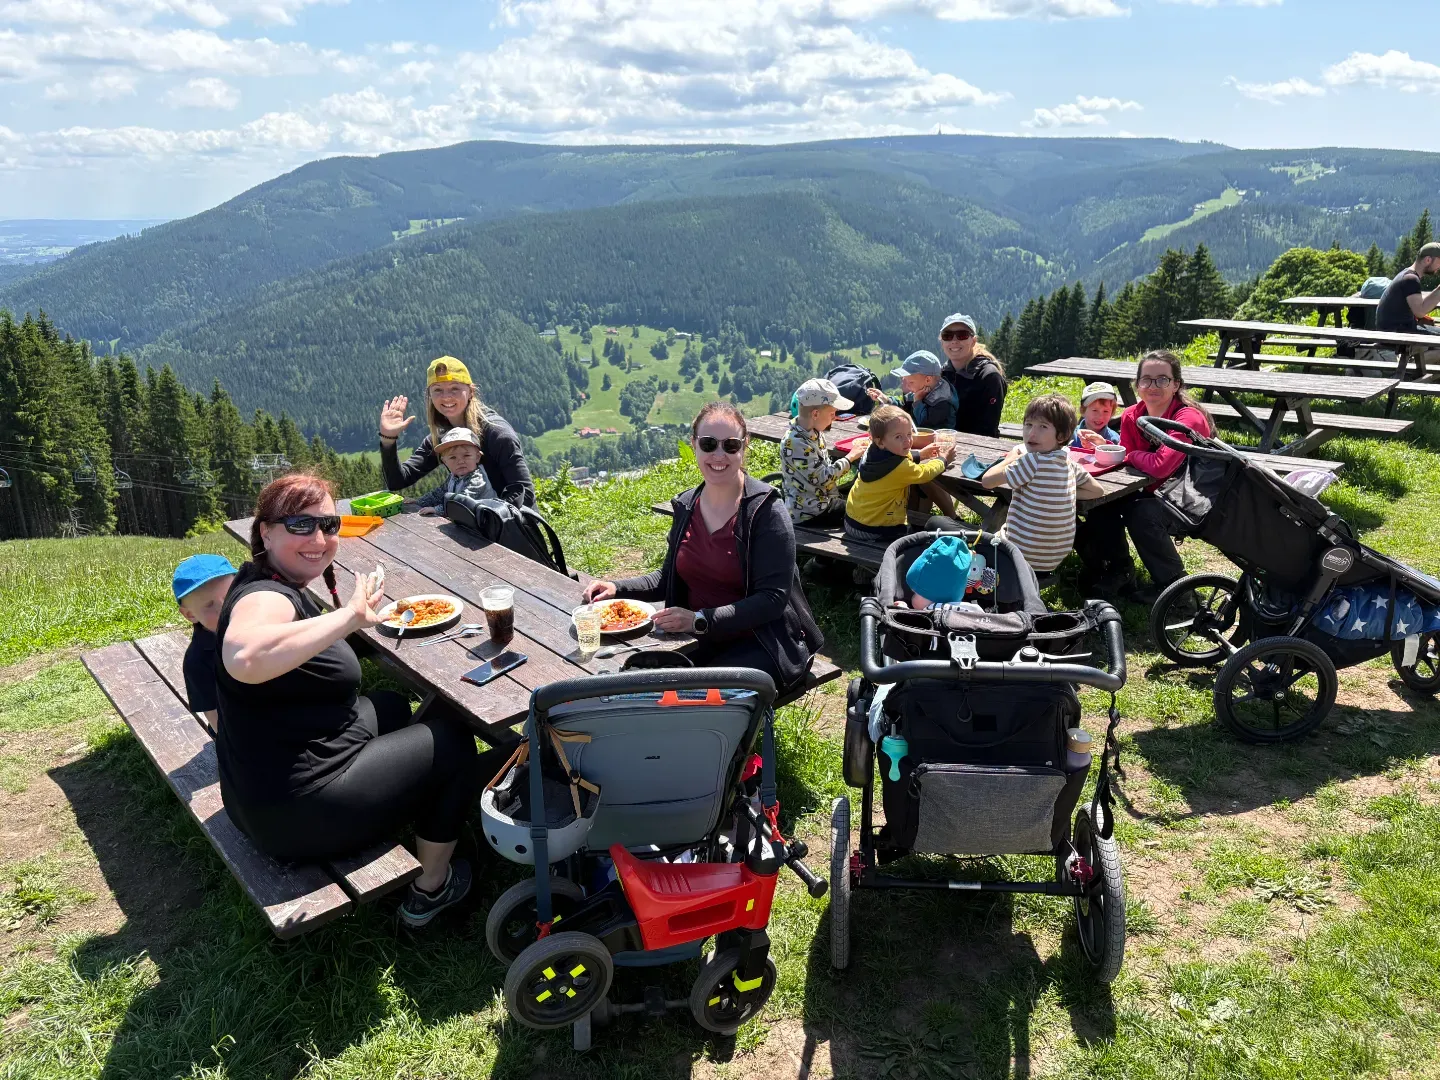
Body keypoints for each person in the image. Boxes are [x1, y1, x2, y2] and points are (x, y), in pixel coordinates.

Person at [216, 472, 498, 929]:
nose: (320, 538)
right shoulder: (264, 597)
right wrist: (348, 617)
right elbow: (246, 657)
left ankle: (419, 798)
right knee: (450, 740)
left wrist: (353, 621)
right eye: (300, 525)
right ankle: (432, 889)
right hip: (299, 812)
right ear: (265, 531)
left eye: (329, 525)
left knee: (389, 704)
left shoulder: (265, 577)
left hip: (256, 794)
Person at [582, 402, 823, 694]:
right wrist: (616, 588)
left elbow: (772, 600)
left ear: (744, 447)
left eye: (730, 445)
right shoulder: (687, 506)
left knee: (693, 695)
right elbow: (667, 576)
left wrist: (699, 619)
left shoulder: (766, 512)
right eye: (709, 444)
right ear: (694, 445)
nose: (719, 455)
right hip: (699, 638)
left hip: (760, 643)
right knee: (630, 681)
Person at [1074, 350, 1212, 599]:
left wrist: (1130, 455)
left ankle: (1176, 589)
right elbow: (1132, 465)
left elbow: (1159, 465)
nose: (1153, 385)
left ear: (1176, 385)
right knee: (1102, 500)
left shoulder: (1187, 417)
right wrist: (1127, 455)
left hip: (1194, 497)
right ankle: (1118, 569)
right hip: (1154, 490)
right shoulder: (1131, 415)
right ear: (1138, 386)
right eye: (1146, 379)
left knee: (1141, 513)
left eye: (1162, 379)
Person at [378, 356, 535, 508]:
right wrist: (388, 439)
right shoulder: (442, 437)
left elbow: (525, 496)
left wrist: (482, 517)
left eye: (455, 388)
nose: (446, 397)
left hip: (509, 528)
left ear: (471, 392)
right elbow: (397, 481)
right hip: (472, 527)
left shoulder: (497, 434)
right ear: (430, 395)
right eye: (438, 390)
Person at [981, 394, 1103, 574]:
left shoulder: (1031, 461)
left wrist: (1014, 456)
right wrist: (1062, 492)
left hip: (1018, 556)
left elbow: (987, 481)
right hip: (1051, 560)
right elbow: (1097, 490)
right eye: (1028, 424)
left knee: (947, 528)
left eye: (1043, 427)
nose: (1032, 433)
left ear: (1061, 436)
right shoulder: (1068, 462)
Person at [844, 404, 958, 545]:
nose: (907, 441)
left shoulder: (871, 451)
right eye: (898, 437)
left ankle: (917, 522)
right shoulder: (899, 467)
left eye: (909, 434)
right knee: (918, 541)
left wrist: (920, 455)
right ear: (880, 441)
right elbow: (924, 474)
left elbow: (898, 459)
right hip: (872, 529)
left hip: (853, 521)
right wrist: (943, 460)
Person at [780, 378, 868, 528]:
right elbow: (823, 478)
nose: (834, 417)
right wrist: (850, 457)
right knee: (861, 511)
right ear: (815, 414)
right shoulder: (796, 443)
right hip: (809, 511)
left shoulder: (811, 432)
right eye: (832, 413)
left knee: (857, 499)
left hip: (820, 500)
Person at [173, 553, 238, 732]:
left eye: (230, 595)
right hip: (236, 731)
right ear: (190, 614)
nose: (225, 608)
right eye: (209, 605)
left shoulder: (260, 623)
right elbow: (213, 714)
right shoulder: (198, 661)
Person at [937, 313, 1007, 437]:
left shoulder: (989, 376)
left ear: (973, 341)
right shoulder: (942, 374)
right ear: (942, 342)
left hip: (978, 447)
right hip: (946, 442)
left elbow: (988, 429)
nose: (954, 341)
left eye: (962, 335)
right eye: (947, 336)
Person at [406, 427, 494, 516]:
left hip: (485, 523)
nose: (460, 461)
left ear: (477, 457)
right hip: (467, 520)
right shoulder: (453, 476)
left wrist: (437, 510)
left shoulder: (477, 480)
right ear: (445, 461)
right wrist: (420, 501)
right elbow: (439, 493)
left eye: (466, 455)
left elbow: (462, 503)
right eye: (453, 457)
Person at [867, 350, 958, 431]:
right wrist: (886, 399)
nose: (906, 385)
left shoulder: (942, 401)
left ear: (928, 380)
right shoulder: (919, 389)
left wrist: (918, 401)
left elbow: (925, 426)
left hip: (936, 442)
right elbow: (904, 406)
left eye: (911, 382)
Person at [1375, 242, 1440, 335]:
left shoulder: (1407, 274)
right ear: (1428, 260)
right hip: (1396, 333)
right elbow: (1420, 312)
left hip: (1396, 329)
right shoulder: (1411, 279)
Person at [1072, 382, 1121, 449]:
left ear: (1112, 413)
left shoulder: (1115, 439)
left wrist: (1105, 447)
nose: (1100, 417)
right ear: (1083, 410)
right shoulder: (1070, 436)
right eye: (1095, 410)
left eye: (1106, 411)